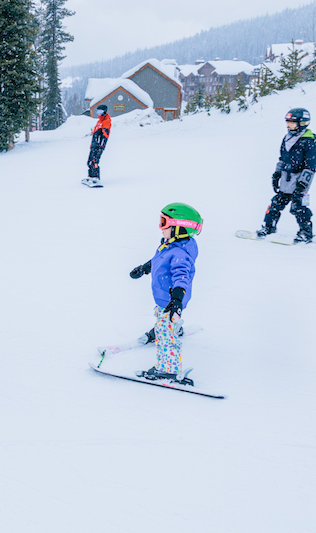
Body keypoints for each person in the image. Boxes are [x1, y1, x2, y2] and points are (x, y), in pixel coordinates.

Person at [129, 203, 202, 385]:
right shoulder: (170, 246)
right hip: (165, 297)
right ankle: (167, 327)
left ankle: (167, 368)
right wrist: (145, 268)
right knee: (162, 315)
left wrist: (176, 299)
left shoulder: (179, 254)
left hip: (171, 298)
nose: (160, 228)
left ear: (179, 228)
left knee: (166, 332)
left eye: (164, 223)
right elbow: (159, 259)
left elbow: (181, 277)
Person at [256, 108, 316, 243]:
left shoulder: (308, 142)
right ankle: (269, 227)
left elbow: (310, 167)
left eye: (292, 123)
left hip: (300, 182)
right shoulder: (287, 138)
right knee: (275, 205)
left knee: (299, 207)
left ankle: (306, 233)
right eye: (287, 122)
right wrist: (276, 174)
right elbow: (282, 159)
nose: (288, 125)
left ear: (302, 123)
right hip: (286, 180)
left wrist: (302, 185)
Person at [82, 104, 111, 188]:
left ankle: (96, 177)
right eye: (97, 111)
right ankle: (90, 176)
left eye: (100, 111)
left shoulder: (106, 121)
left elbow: (105, 135)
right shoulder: (99, 121)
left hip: (99, 145)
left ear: (104, 112)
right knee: (90, 161)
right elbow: (95, 134)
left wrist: (101, 145)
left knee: (95, 161)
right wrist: (92, 144)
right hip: (94, 144)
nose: (98, 113)